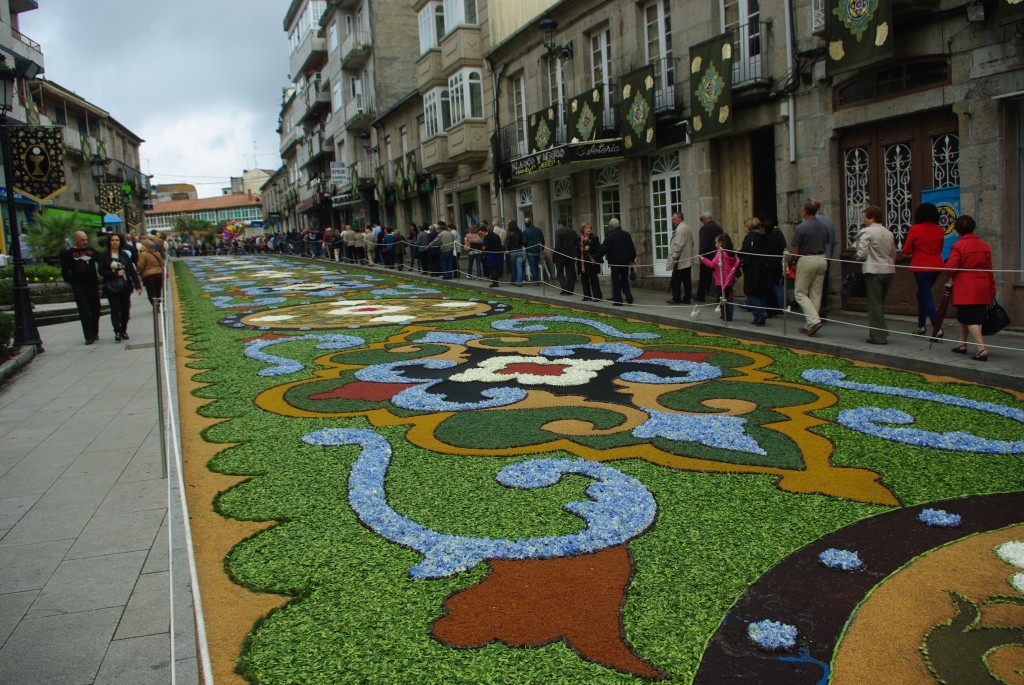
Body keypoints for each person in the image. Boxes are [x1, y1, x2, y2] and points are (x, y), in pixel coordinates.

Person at [945, 215, 996, 361]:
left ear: (958, 230)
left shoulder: (958, 246)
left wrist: (944, 265)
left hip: (966, 286)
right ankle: (962, 343)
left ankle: (981, 348)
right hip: (982, 284)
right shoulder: (984, 246)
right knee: (966, 315)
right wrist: (992, 287)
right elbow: (989, 269)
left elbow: (951, 269)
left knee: (971, 318)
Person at [855, 204, 897, 344]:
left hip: (873, 270)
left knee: (874, 305)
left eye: (865, 217)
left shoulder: (867, 232)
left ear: (871, 217)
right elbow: (893, 253)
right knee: (880, 303)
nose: (864, 219)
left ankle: (878, 337)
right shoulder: (888, 232)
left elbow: (862, 254)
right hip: (888, 270)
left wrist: (856, 257)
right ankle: (882, 331)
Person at [902, 203, 945, 337]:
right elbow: (940, 249)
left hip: (920, 266)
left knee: (925, 296)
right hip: (936, 266)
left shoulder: (915, 229)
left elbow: (906, 250)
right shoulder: (939, 230)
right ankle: (921, 325)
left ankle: (936, 326)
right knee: (922, 294)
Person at [790, 201, 830, 336]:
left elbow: (795, 250)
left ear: (805, 211)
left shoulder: (802, 227)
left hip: (807, 258)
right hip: (822, 257)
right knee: (816, 293)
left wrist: (791, 261)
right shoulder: (824, 226)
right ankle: (810, 324)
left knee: (800, 293)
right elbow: (827, 242)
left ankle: (813, 321)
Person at [60, 231, 103, 345]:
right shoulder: (69, 254)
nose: (85, 242)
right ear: (76, 240)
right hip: (79, 286)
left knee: (96, 309)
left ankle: (95, 332)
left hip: (92, 284)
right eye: (82, 240)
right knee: (84, 311)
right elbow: (65, 271)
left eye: (86, 239)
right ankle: (88, 336)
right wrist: (72, 282)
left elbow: (102, 261)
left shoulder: (91, 251)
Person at [99, 233, 142, 342]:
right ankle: (117, 331)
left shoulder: (124, 255)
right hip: (112, 287)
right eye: (113, 240)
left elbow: (132, 271)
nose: (115, 242)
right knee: (115, 309)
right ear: (109, 242)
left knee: (125, 310)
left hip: (125, 286)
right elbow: (101, 271)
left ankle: (123, 329)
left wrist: (138, 286)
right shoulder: (104, 256)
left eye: (117, 240)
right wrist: (115, 274)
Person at [740, 217, 772, 325]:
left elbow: (744, 251)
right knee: (761, 291)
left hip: (752, 267)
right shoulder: (765, 236)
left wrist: (738, 253)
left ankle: (760, 312)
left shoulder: (751, 237)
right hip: (764, 267)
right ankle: (758, 317)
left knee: (751, 291)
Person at [701, 233, 740, 320]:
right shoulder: (731, 254)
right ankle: (728, 314)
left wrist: (703, 259)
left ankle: (726, 316)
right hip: (730, 279)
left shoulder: (720, 254)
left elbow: (712, 264)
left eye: (716, 243)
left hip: (722, 280)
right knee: (729, 298)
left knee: (723, 298)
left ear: (721, 243)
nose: (715, 245)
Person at [811, 198, 837, 318]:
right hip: (826, 258)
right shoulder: (829, 222)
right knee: (824, 285)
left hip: (813, 258)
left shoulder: (809, 222)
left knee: (813, 287)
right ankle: (823, 308)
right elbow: (834, 241)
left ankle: (814, 314)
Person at [600, 218, 636, 306]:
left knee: (616, 281)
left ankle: (618, 300)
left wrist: (595, 258)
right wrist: (632, 259)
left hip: (615, 262)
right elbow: (631, 248)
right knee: (624, 280)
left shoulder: (610, 236)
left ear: (611, 226)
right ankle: (629, 297)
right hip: (625, 262)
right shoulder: (626, 234)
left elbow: (604, 249)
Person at [666, 211, 696, 304]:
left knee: (676, 280)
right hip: (686, 259)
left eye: (674, 219)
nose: (673, 221)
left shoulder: (681, 228)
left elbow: (679, 244)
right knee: (686, 280)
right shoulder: (686, 227)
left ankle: (676, 298)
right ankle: (686, 298)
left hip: (681, 260)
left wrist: (674, 257)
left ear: (679, 218)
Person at [695, 211, 723, 301]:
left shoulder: (704, 229)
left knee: (704, 278)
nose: (702, 222)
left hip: (707, 256)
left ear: (705, 219)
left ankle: (701, 296)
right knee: (719, 277)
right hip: (718, 255)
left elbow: (703, 243)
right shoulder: (719, 228)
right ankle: (720, 296)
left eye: (702, 220)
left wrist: (701, 256)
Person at [578, 223, 603, 302]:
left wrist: (590, 250)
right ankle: (587, 296)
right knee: (584, 279)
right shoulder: (579, 238)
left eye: (590, 228)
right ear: (582, 230)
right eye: (586, 228)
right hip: (582, 261)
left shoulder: (594, 238)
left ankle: (597, 296)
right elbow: (577, 249)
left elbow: (599, 250)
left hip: (591, 261)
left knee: (593, 279)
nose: (589, 229)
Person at [553, 219, 579, 295]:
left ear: (560, 224)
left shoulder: (558, 232)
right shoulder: (573, 231)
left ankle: (565, 288)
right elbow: (577, 243)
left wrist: (554, 254)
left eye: (558, 225)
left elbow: (558, 245)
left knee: (559, 272)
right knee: (570, 273)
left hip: (561, 255)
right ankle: (570, 290)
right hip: (571, 255)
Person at [137, 236, 165, 304]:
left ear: (145, 246)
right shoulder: (157, 253)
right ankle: (159, 304)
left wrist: (139, 272)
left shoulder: (143, 255)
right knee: (158, 291)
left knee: (151, 292)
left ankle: (155, 307)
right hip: (158, 274)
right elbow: (162, 263)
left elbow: (140, 266)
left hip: (148, 275)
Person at [522, 216, 545, 284]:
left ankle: (536, 280)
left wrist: (526, 247)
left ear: (525, 224)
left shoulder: (525, 231)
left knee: (533, 266)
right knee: (536, 265)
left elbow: (524, 242)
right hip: (538, 250)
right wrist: (542, 248)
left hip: (530, 251)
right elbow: (542, 240)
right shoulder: (538, 230)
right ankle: (537, 278)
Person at [505, 220, 525, 285]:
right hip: (520, 250)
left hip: (513, 251)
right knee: (519, 267)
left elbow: (508, 243)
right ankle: (519, 282)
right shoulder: (520, 232)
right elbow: (523, 242)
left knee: (514, 267)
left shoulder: (509, 234)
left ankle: (513, 280)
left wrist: (508, 249)